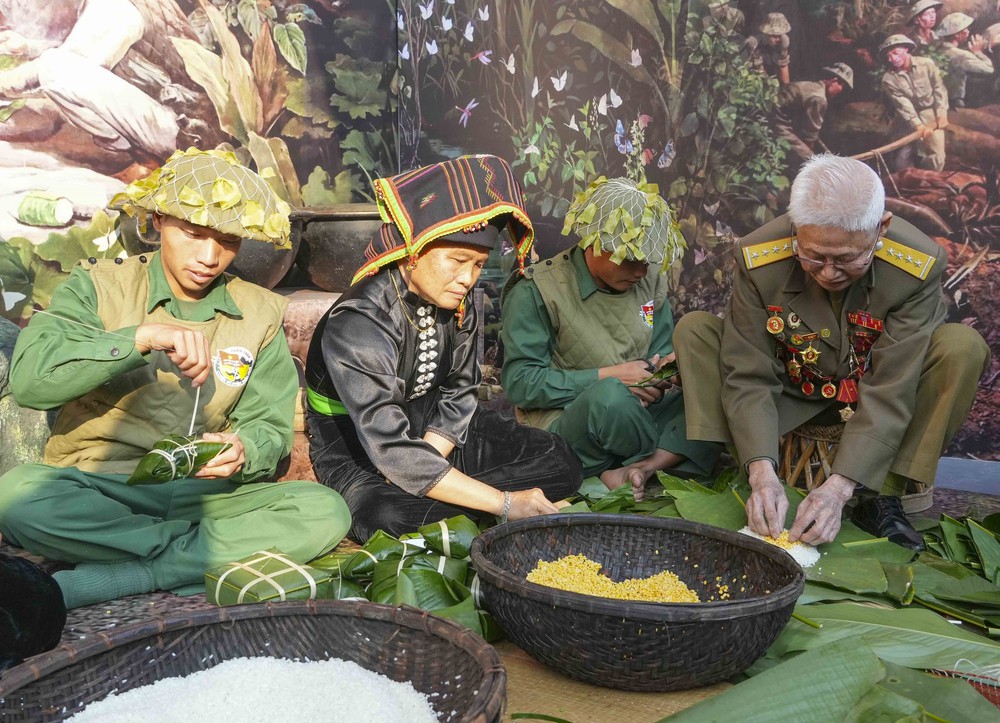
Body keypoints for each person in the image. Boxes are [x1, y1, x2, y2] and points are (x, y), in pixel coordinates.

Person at [0, 148, 351, 609]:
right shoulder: (97, 286)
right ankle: (198, 553)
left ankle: (136, 572)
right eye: (192, 233)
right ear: (159, 221)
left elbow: (269, 425)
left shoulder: (259, 311)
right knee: (16, 498)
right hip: (103, 488)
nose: (209, 256)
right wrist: (138, 339)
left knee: (325, 511)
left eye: (227, 241)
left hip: (205, 497)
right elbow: (30, 381)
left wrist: (245, 450)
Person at [673, 154, 989, 550]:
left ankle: (880, 497)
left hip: (871, 396)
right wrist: (761, 473)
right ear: (796, 229)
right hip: (792, 392)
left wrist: (839, 490)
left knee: (961, 347)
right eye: (813, 256)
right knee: (696, 331)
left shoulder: (917, 266)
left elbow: (894, 384)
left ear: (881, 230)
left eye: (845, 259)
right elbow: (748, 372)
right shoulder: (758, 259)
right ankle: (750, 477)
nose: (827, 272)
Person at [304, 155, 581, 543]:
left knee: (560, 460)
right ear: (414, 249)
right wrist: (503, 502)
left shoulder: (457, 302)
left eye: (479, 264)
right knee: (388, 515)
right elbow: (391, 449)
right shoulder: (360, 321)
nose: (467, 278)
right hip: (361, 452)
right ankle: (493, 503)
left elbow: (460, 392)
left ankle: (456, 497)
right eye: (457, 260)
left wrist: (429, 460)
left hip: (438, 435)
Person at [500, 177, 720, 500]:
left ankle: (637, 469)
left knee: (712, 391)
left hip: (638, 416)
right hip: (569, 423)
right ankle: (648, 462)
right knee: (609, 399)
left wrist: (665, 375)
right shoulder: (538, 290)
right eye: (631, 259)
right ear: (596, 242)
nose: (641, 272)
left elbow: (660, 351)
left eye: (648, 260)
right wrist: (611, 377)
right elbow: (521, 383)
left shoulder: (648, 285)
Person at [880, 34, 949, 171]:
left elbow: (939, 88)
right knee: (901, 162)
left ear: (906, 49)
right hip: (905, 121)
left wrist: (941, 114)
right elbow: (903, 105)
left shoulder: (927, 64)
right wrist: (918, 125)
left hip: (930, 115)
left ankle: (930, 183)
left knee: (937, 158)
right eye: (889, 56)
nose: (893, 58)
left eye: (895, 53)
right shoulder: (888, 79)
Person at [774, 63, 854, 168]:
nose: (841, 90)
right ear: (834, 81)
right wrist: (810, 155)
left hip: (779, 119)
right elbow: (809, 137)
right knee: (813, 162)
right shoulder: (819, 99)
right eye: (841, 85)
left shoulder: (810, 86)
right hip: (776, 123)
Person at [937, 12, 994, 108]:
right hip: (954, 104)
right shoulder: (961, 56)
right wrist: (978, 52)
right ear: (956, 35)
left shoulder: (938, 51)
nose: (968, 32)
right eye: (965, 29)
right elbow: (989, 69)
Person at [748, 13, 792, 85]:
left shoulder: (784, 40)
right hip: (756, 75)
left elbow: (783, 65)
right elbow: (759, 70)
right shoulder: (755, 43)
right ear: (766, 34)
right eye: (774, 36)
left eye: (779, 36)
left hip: (774, 70)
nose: (778, 39)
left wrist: (786, 88)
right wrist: (770, 87)